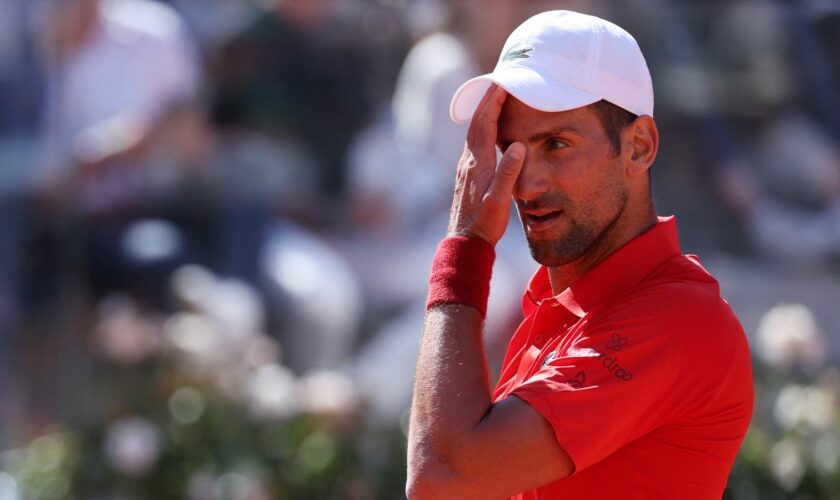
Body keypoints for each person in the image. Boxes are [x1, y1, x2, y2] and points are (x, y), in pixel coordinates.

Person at [406, 10, 754, 499]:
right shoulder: (561, 304)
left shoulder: (681, 319)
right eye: (509, 148)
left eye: (557, 145)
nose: (524, 182)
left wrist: (465, 247)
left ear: (639, 147)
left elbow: (442, 477)